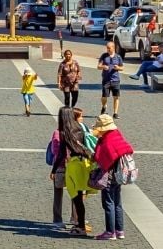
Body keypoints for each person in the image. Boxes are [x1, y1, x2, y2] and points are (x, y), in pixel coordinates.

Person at [90, 112, 133, 240]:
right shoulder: (117, 135)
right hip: (120, 174)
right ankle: (120, 231)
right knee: (117, 203)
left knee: (108, 203)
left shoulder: (106, 141)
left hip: (109, 175)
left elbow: (100, 158)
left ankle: (110, 232)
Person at [55, 106, 96, 236]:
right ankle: (80, 224)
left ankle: (81, 226)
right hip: (84, 163)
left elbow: (61, 153)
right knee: (80, 196)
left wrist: (54, 170)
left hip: (73, 166)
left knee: (75, 196)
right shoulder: (79, 128)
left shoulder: (64, 132)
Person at [98, 42, 123, 119]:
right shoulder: (104, 56)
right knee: (104, 97)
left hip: (115, 80)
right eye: (107, 48)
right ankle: (104, 106)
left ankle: (115, 113)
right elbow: (98, 66)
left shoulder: (118, 57)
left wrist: (118, 68)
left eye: (109, 48)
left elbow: (122, 68)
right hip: (106, 80)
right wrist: (103, 66)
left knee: (116, 97)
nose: (108, 49)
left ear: (113, 48)